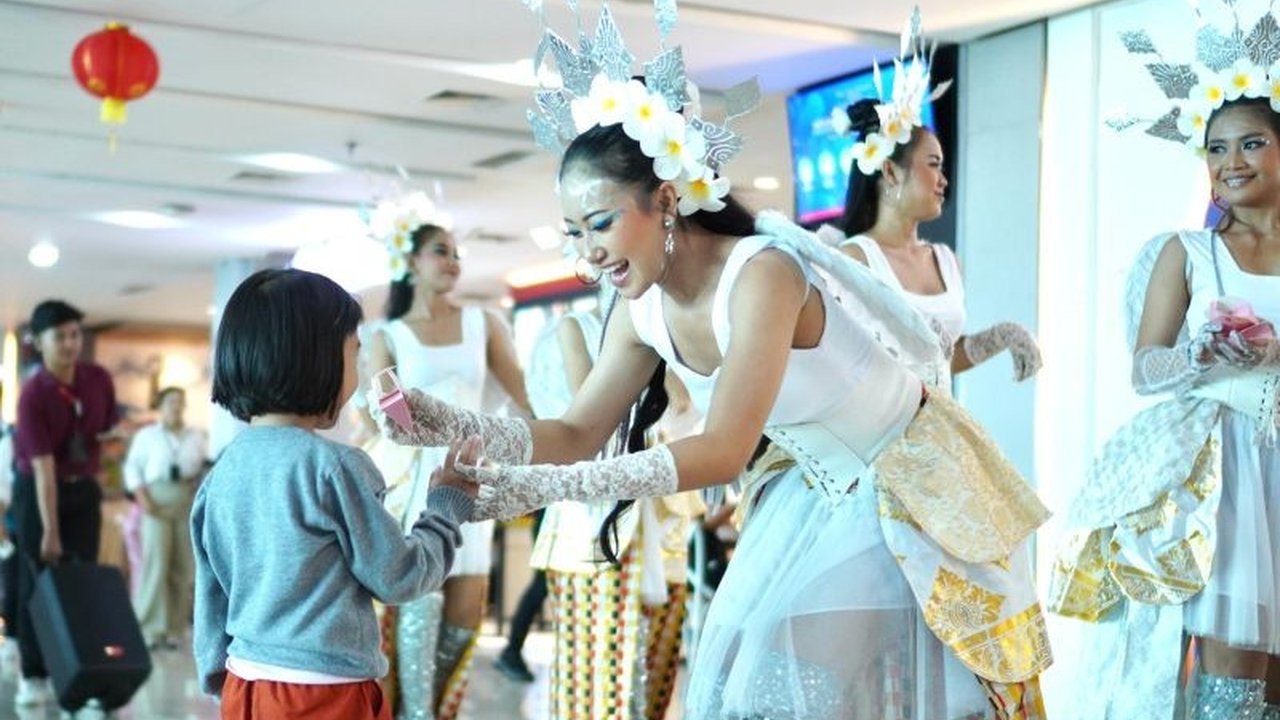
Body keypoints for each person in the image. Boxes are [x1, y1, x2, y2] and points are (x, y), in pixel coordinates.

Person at [371, 9, 1053, 711]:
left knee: (787, 688)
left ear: (666, 200)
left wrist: (547, 487)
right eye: (574, 233)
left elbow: (725, 450)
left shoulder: (764, 273)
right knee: (748, 684)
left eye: (601, 224)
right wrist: (445, 424)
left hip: (909, 483)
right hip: (812, 495)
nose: (587, 254)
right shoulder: (640, 311)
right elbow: (576, 431)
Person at [1050, 95, 1280, 720]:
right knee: (1235, 668)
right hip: (1228, 475)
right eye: (1217, 148)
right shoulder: (1186, 252)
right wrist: (1200, 355)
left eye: (1251, 143)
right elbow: (1145, 368)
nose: (1232, 161)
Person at [191, 268, 477, 720]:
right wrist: (444, 508)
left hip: (244, 684)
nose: (359, 371)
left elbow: (210, 590)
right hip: (326, 695)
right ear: (318, 359)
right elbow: (399, 577)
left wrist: (216, 675)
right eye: (355, 353)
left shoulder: (223, 471)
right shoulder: (336, 467)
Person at [366, 218, 533, 720]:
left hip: (470, 476)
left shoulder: (485, 324)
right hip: (413, 482)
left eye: (457, 252)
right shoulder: (388, 335)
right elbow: (382, 410)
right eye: (441, 251)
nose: (453, 261)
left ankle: (441, 713)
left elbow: (527, 400)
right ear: (411, 262)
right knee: (416, 607)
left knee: (464, 615)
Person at [518, 302, 700, 718]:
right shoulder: (577, 327)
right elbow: (595, 422)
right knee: (598, 674)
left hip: (662, 516)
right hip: (594, 519)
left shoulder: (664, 326)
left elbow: (685, 405)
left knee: (658, 668)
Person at [831, 98, 1042, 392]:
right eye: (933, 165)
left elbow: (943, 359)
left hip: (939, 425)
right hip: (878, 430)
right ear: (891, 172)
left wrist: (1005, 335)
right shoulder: (853, 260)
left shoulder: (946, 260)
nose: (944, 180)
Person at [11, 299, 118, 708]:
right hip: (37, 492)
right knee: (37, 584)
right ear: (39, 342)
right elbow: (41, 468)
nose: (71, 344)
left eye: (76, 335)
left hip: (82, 489)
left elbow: (107, 435)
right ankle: (33, 675)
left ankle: (84, 674)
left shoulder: (97, 378)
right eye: (61, 336)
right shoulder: (33, 394)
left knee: (83, 584)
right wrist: (51, 531)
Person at [122, 386, 207, 651]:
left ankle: (174, 627)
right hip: (156, 500)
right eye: (171, 401)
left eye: (180, 402)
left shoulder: (195, 436)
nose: (176, 406)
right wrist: (143, 500)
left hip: (184, 499)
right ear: (161, 405)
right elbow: (133, 468)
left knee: (182, 566)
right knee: (155, 563)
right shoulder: (147, 436)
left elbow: (201, 468)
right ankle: (150, 627)